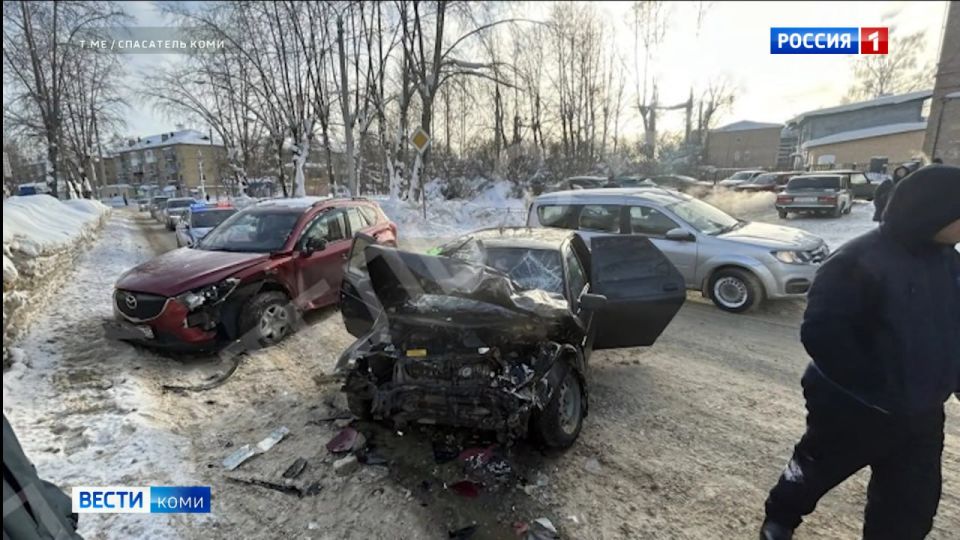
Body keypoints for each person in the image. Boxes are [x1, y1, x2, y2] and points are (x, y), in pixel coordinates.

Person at [760, 164, 960, 540]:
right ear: (937, 211)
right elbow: (822, 334)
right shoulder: (857, 260)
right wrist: (876, 389)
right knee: (812, 471)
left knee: (910, 508)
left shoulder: (949, 261)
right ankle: (780, 519)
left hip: (922, 414)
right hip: (854, 407)